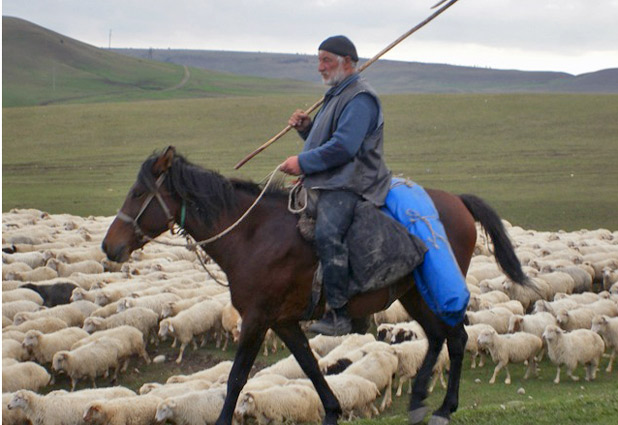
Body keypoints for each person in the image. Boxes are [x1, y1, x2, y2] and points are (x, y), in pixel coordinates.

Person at [279, 35, 391, 335]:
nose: (320, 67)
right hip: (332, 178)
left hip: (354, 182)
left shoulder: (360, 98)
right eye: (319, 60)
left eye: (326, 60)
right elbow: (328, 138)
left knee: (328, 233)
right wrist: (308, 129)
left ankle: (340, 314)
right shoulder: (338, 94)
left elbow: (344, 147)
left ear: (347, 62)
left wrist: (302, 163)